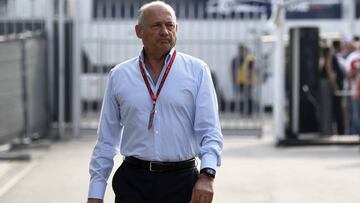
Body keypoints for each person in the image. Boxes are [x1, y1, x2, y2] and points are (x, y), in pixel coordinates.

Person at [87, 1, 223, 203]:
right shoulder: (120, 76)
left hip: (182, 182)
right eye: (156, 26)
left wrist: (207, 175)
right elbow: (106, 139)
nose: (165, 32)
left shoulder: (197, 71)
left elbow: (210, 131)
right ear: (139, 31)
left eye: (170, 26)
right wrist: (95, 193)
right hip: (133, 182)